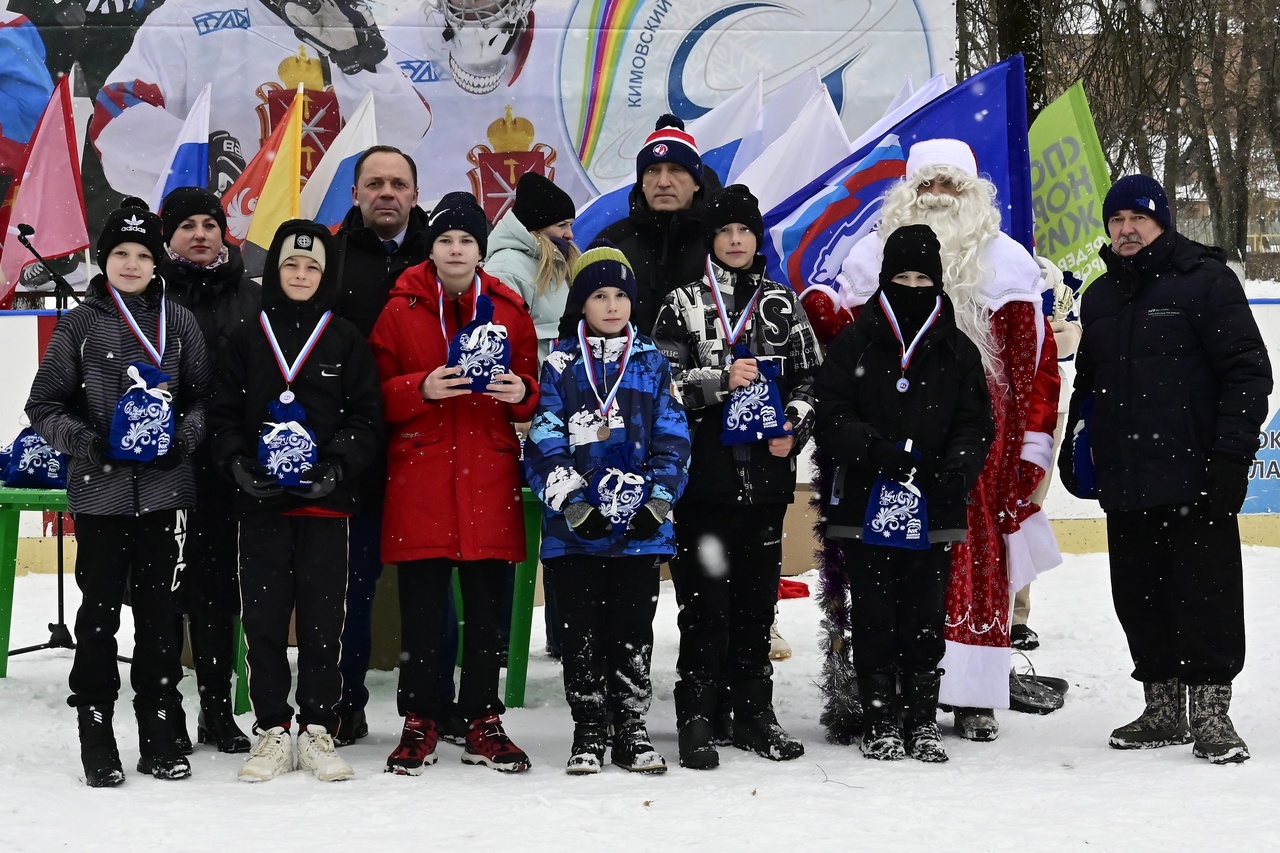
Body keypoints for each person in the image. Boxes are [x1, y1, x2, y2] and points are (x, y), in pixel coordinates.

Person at [820, 138, 1061, 742]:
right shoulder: (869, 256)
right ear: (907, 191)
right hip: (885, 453)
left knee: (970, 568)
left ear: (974, 193)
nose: (939, 197)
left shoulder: (1006, 261)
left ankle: (972, 693)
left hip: (972, 451)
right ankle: (888, 693)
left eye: (952, 185)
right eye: (928, 185)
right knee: (884, 580)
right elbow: (843, 365)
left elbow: (1036, 365)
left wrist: (1028, 446)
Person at [1058, 175, 1272, 764]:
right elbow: (1090, 387)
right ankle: (1162, 709)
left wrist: (1229, 459)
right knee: (1139, 596)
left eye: (1138, 219)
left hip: (1195, 476)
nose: (1126, 231)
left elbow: (1249, 374)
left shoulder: (1206, 282)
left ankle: (1210, 716)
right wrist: (1081, 453)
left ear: (1161, 222)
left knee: (1208, 595)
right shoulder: (1100, 296)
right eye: (1116, 221)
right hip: (1127, 479)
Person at [26, 197, 211, 787]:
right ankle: (96, 725)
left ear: (158, 263)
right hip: (101, 497)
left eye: (142, 255)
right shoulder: (80, 325)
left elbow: (205, 398)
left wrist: (182, 441)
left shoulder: (178, 321)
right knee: (98, 617)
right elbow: (43, 404)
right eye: (120, 254)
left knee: (160, 617)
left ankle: (158, 726)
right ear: (103, 261)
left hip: (164, 493)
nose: (131, 265)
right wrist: (88, 444)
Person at [369, 191, 540, 774]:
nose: (456, 249)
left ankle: (482, 717)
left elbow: (531, 390)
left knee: (487, 610)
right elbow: (374, 394)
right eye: (445, 240)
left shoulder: (510, 310)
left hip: (488, 474)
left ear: (480, 249)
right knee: (422, 607)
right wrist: (419, 388)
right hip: (423, 474)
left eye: (466, 240)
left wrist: (521, 395)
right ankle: (420, 719)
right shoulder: (400, 310)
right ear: (432, 247)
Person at [652, 184, 821, 769]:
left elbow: (811, 381)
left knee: (756, 605)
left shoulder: (782, 301)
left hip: (767, 484)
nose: (735, 240)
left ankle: (753, 714)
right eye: (725, 232)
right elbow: (662, 384)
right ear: (711, 240)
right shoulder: (682, 302)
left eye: (745, 231)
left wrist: (792, 430)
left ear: (757, 238)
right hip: (704, 485)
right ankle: (698, 715)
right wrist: (720, 380)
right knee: (704, 606)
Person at [209, 219, 382, 782]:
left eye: (312, 266)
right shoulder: (245, 336)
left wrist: (337, 467)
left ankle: (316, 727)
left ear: (325, 272)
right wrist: (236, 464)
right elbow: (222, 415)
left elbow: (365, 417)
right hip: (261, 506)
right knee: (262, 619)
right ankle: (271, 730)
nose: (302, 274)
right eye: (291, 265)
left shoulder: (345, 337)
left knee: (322, 621)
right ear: (274, 271)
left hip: (324, 508)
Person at [813, 224, 994, 763]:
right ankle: (879, 717)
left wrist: (955, 471)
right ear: (884, 280)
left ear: (937, 284)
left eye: (922, 278)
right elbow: (832, 412)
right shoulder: (855, 341)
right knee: (875, 611)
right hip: (866, 502)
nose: (912, 287)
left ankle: (920, 718)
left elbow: (974, 422)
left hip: (934, 504)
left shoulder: (957, 349)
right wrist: (873, 449)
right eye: (901, 277)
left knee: (924, 611)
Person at [524, 240, 690, 774]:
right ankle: (590, 727)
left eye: (621, 294)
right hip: (575, 532)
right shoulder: (561, 366)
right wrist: (573, 503)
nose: (613, 305)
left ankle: (632, 727)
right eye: (600, 295)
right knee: (579, 629)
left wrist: (658, 502)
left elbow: (674, 438)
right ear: (582, 304)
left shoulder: (651, 363)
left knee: (632, 629)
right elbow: (544, 440)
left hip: (641, 530)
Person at [329, 144, 432, 746]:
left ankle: (433, 705)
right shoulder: (334, 260)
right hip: (357, 452)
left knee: (430, 582)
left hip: (427, 446)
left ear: (415, 194)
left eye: (398, 183)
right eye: (375, 183)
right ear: (357, 194)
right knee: (354, 581)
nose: (386, 193)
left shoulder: (443, 253)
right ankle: (345, 700)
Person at [158, 186, 260, 756]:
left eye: (209, 223)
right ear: (168, 237)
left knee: (218, 592)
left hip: (227, 467)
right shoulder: (150, 295)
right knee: (166, 590)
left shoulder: (249, 296)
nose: (200, 234)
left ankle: (218, 710)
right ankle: (167, 705)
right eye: (187, 226)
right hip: (163, 465)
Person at [484, 170, 580, 659]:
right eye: (562, 225)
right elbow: (502, 346)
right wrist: (521, 403)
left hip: (552, 412)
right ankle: (500, 637)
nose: (570, 233)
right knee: (511, 528)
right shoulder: (507, 267)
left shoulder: (550, 264)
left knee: (561, 520)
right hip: (520, 417)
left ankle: (563, 635)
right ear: (538, 228)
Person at [566, 114, 719, 338]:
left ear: (697, 182)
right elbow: (574, 326)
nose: (663, 181)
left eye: (676, 169)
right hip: (624, 372)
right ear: (642, 182)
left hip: (710, 372)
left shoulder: (720, 243)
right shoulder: (613, 243)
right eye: (653, 170)